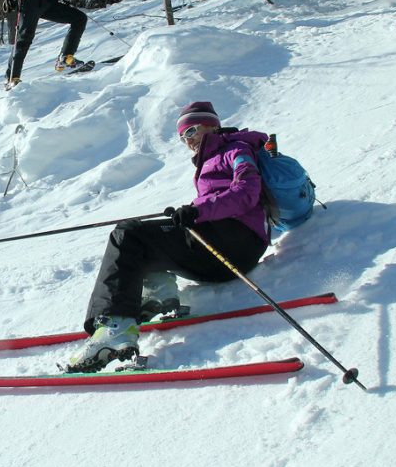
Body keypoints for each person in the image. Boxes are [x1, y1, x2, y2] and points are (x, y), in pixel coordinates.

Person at [66, 101, 270, 372]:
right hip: (221, 248)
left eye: (190, 132)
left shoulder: (236, 149)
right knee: (145, 235)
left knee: (127, 235)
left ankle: (115, 328)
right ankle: (160, 293)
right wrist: (191, 213)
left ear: (211, 125)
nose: (187, 141)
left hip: (236, 242)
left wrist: (198, 211)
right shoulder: (211, 158)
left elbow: (246, 192)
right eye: (182, 136)